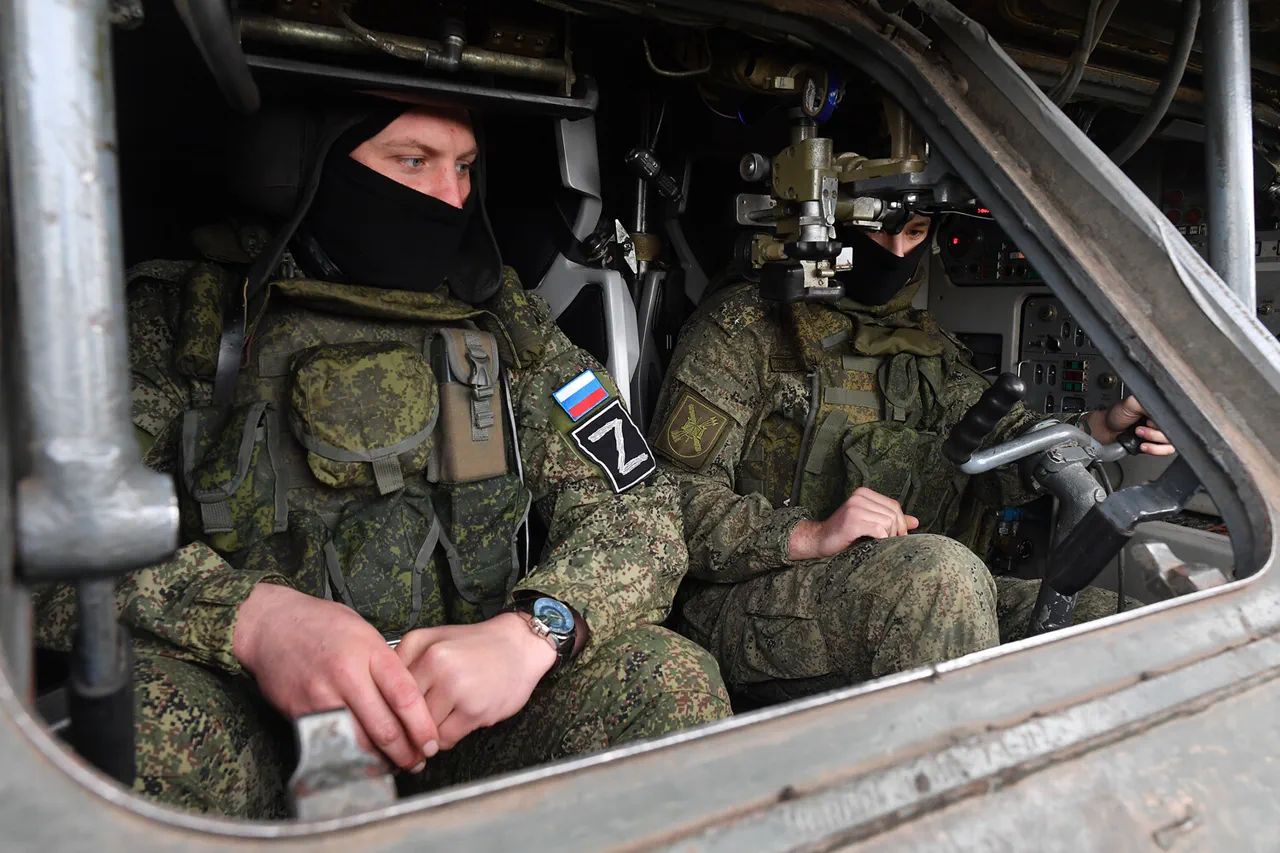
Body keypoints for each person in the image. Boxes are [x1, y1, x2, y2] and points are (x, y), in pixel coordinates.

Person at [33, 99, 730, 817]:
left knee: (665, 679)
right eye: (413, 162)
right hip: (249, 712)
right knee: (131, 729)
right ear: (312, 168)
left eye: (465, 167)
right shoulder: (185, 320)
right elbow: (56, 533)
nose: (450, 196)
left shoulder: (507, 331)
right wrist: (253, 621)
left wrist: (533, 631)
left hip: (463, 717)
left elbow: (639, 508)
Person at [648, 211, 1173, 706]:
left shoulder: (921, 343)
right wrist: (810, 534)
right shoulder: (743, 332)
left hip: (912, 589)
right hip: (740, 601)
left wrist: (1103, 426)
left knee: (1130, 625)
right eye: (878, 231)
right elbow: (670, 502)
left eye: (916, 233)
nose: (897, 251)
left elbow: (998, 439)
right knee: (941, 578)